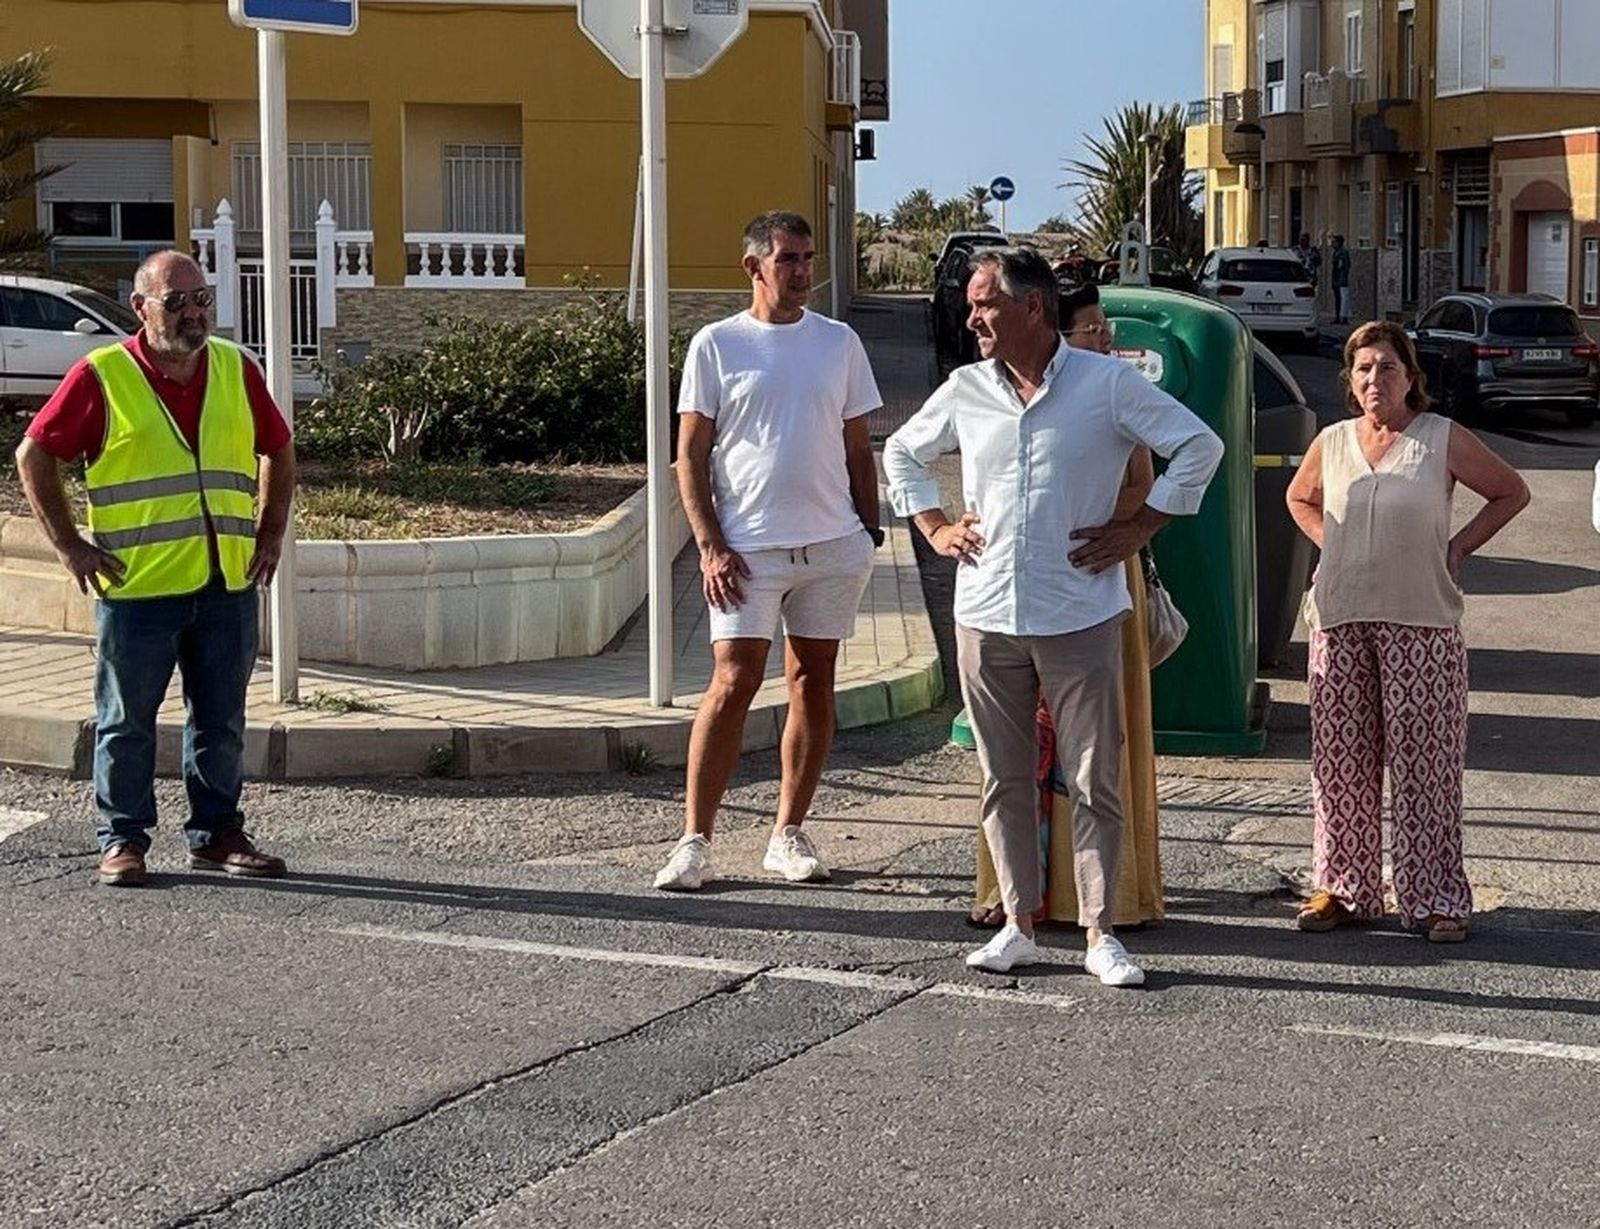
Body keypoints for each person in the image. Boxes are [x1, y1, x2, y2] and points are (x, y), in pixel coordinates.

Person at [884, 247, 1223, 984]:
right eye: (972, 307)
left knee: (1095, 779)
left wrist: (1142, 527)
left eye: (984, 305)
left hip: (1080, 613)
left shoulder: (1107, 384)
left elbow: (1200, 445)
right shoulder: (966, 388)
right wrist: (935, 527)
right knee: (1003, 778)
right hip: (985, 613)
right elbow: (903, 453)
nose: (972, 320)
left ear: (1032, 308)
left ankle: (1101, 931)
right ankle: (1017, 924)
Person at [14, 250, 296, 887]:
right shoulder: (103, 374)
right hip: (137, 587)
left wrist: (271, 530)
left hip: (225, 582)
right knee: (127, 724)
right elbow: (34, 455)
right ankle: (122, 839)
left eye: (202, 300)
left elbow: (278, 447)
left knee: (221, 722)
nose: (193, 313)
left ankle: (217, 834)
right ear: (140, 308)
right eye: (176, 302)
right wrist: (69, 545)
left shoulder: (234, 367)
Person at [654, 211, 883, 892]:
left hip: (831, 546)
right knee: (733, 681)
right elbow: (690, 455)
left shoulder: (839, 343)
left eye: (808, 258)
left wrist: (868, 532)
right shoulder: (717, 344)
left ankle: (788, 833)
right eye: (788, 259)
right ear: (753, 266)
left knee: (814, 680)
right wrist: (710, 547)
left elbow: (858, 447)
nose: (803, 272)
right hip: (747, 551)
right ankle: (695, 842)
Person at [1286, 320, 1529, 942]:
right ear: (1350, 380)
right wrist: (1333, 543)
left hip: (1421, 622)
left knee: (1426, 767)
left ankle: (1436, 898)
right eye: (1364, 368)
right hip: (1339, 619)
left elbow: (1510, 492)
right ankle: (1343, 889)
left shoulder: (1440, 438)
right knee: (1340, 765)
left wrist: (1458, 547)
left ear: (1410, 376)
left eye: (1388, 367)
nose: (1376, 379)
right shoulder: (1333, 440)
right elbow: (1300, 498)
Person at [970, 281, 1165, 930]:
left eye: (1107, 330)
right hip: (1014, 589)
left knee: (1090, 754)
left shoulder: (1113, 394)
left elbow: (1144, 482)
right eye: (1092, 330)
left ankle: (1097, 903)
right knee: (1014, 752)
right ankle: (1013, 896)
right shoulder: (995, 391)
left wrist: (1095, 521)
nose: (1105, 340)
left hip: (1094, 567)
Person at [1330, 234, 1351, 324]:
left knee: (1344, 299)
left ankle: (1344, 317)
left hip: (1341, 279)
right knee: (1337, 299)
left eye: (1334, 242)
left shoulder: (1343, 252)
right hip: (1336, 278)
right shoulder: (1336, 252)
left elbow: (1346, 265)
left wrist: (1343, 274)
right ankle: (1338, 316)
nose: (1332, 243)